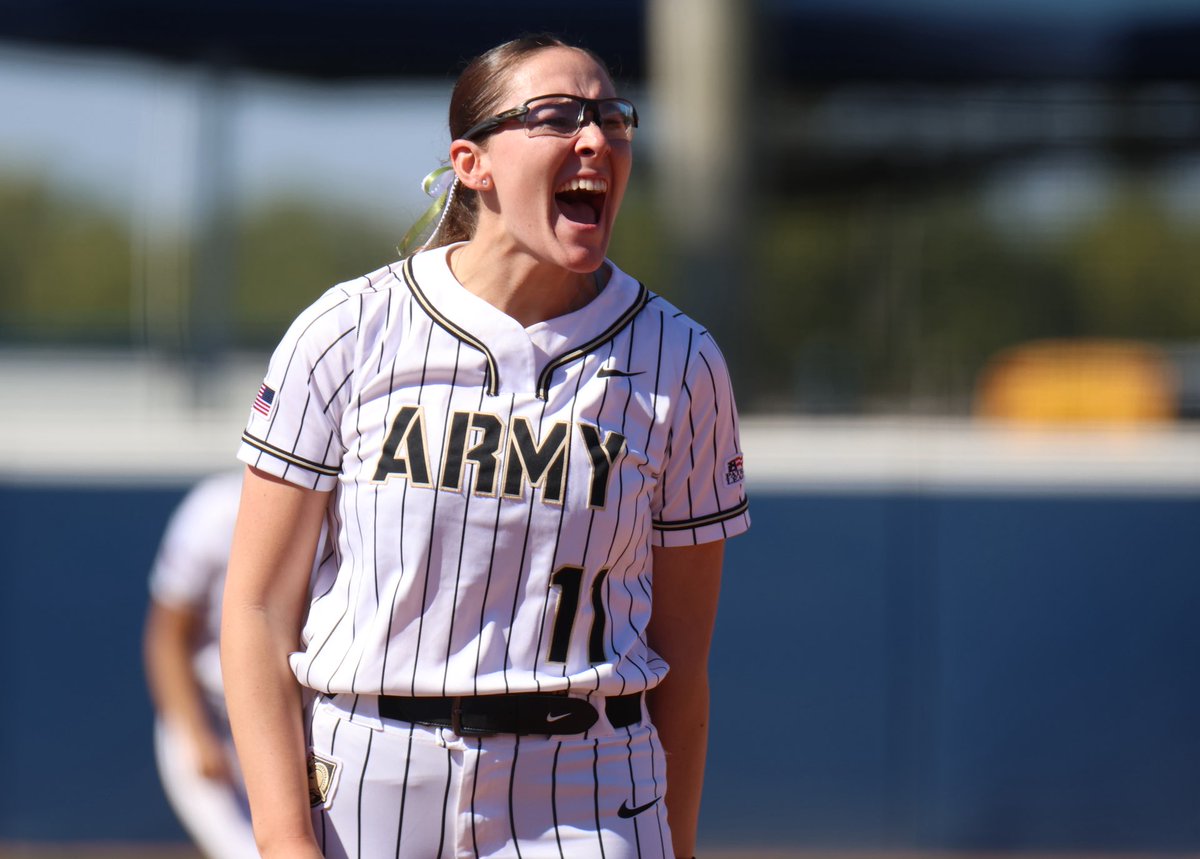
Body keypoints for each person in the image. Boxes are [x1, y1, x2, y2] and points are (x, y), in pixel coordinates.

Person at [221, 33, 750, 859]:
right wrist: (284, 840)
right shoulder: (350, 332)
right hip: (373, 775)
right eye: (557, 116)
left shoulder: (679, 360)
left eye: (613, 118)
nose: (595, 139)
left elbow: (683, 652)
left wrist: (676, 846)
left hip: (591, 784)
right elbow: (255, 611)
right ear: (473, 164)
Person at [143, 471, 259, 859]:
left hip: (283, 722)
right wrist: (195, 735)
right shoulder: (214, 510)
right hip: (207, 712)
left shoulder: (335, 509)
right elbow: (166, 636)